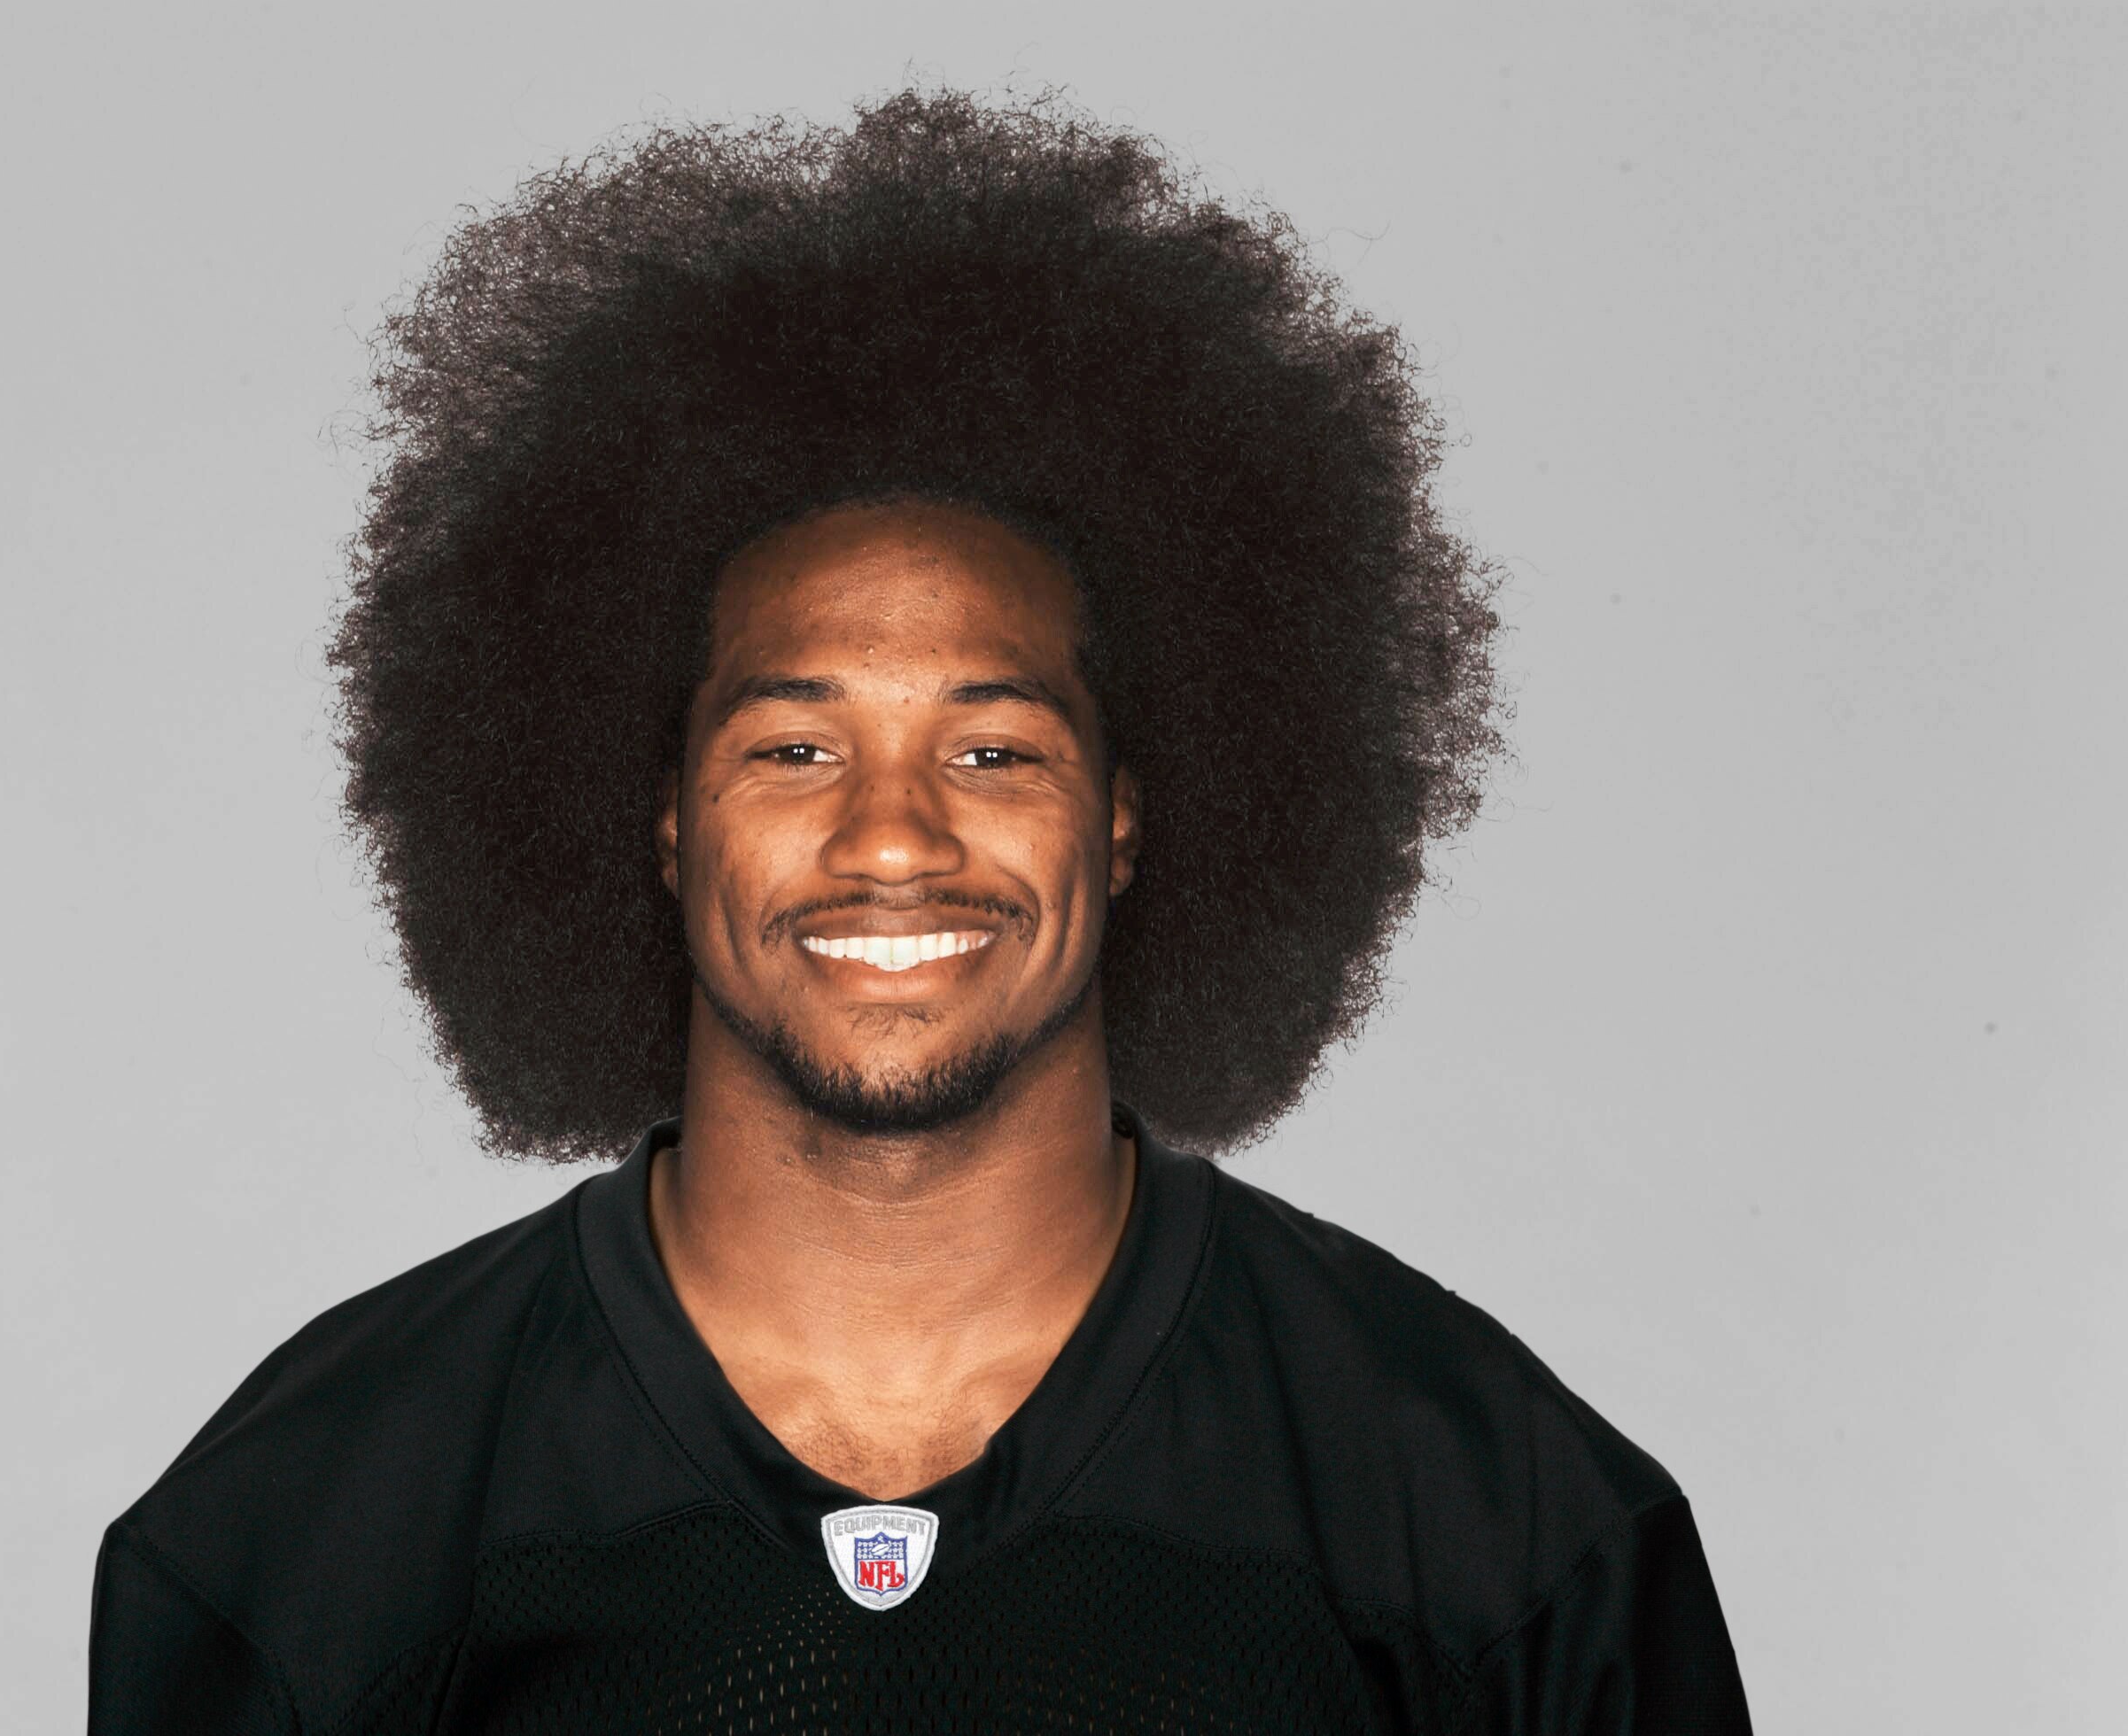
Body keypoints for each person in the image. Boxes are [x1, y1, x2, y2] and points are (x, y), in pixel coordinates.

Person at [87, 88, 1752, 1733]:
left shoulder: (1496, 1528)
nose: (895, 834)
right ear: (666, 824)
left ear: (1125, 822)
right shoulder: (307, 1531)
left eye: (992, 743)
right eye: (796, 745)